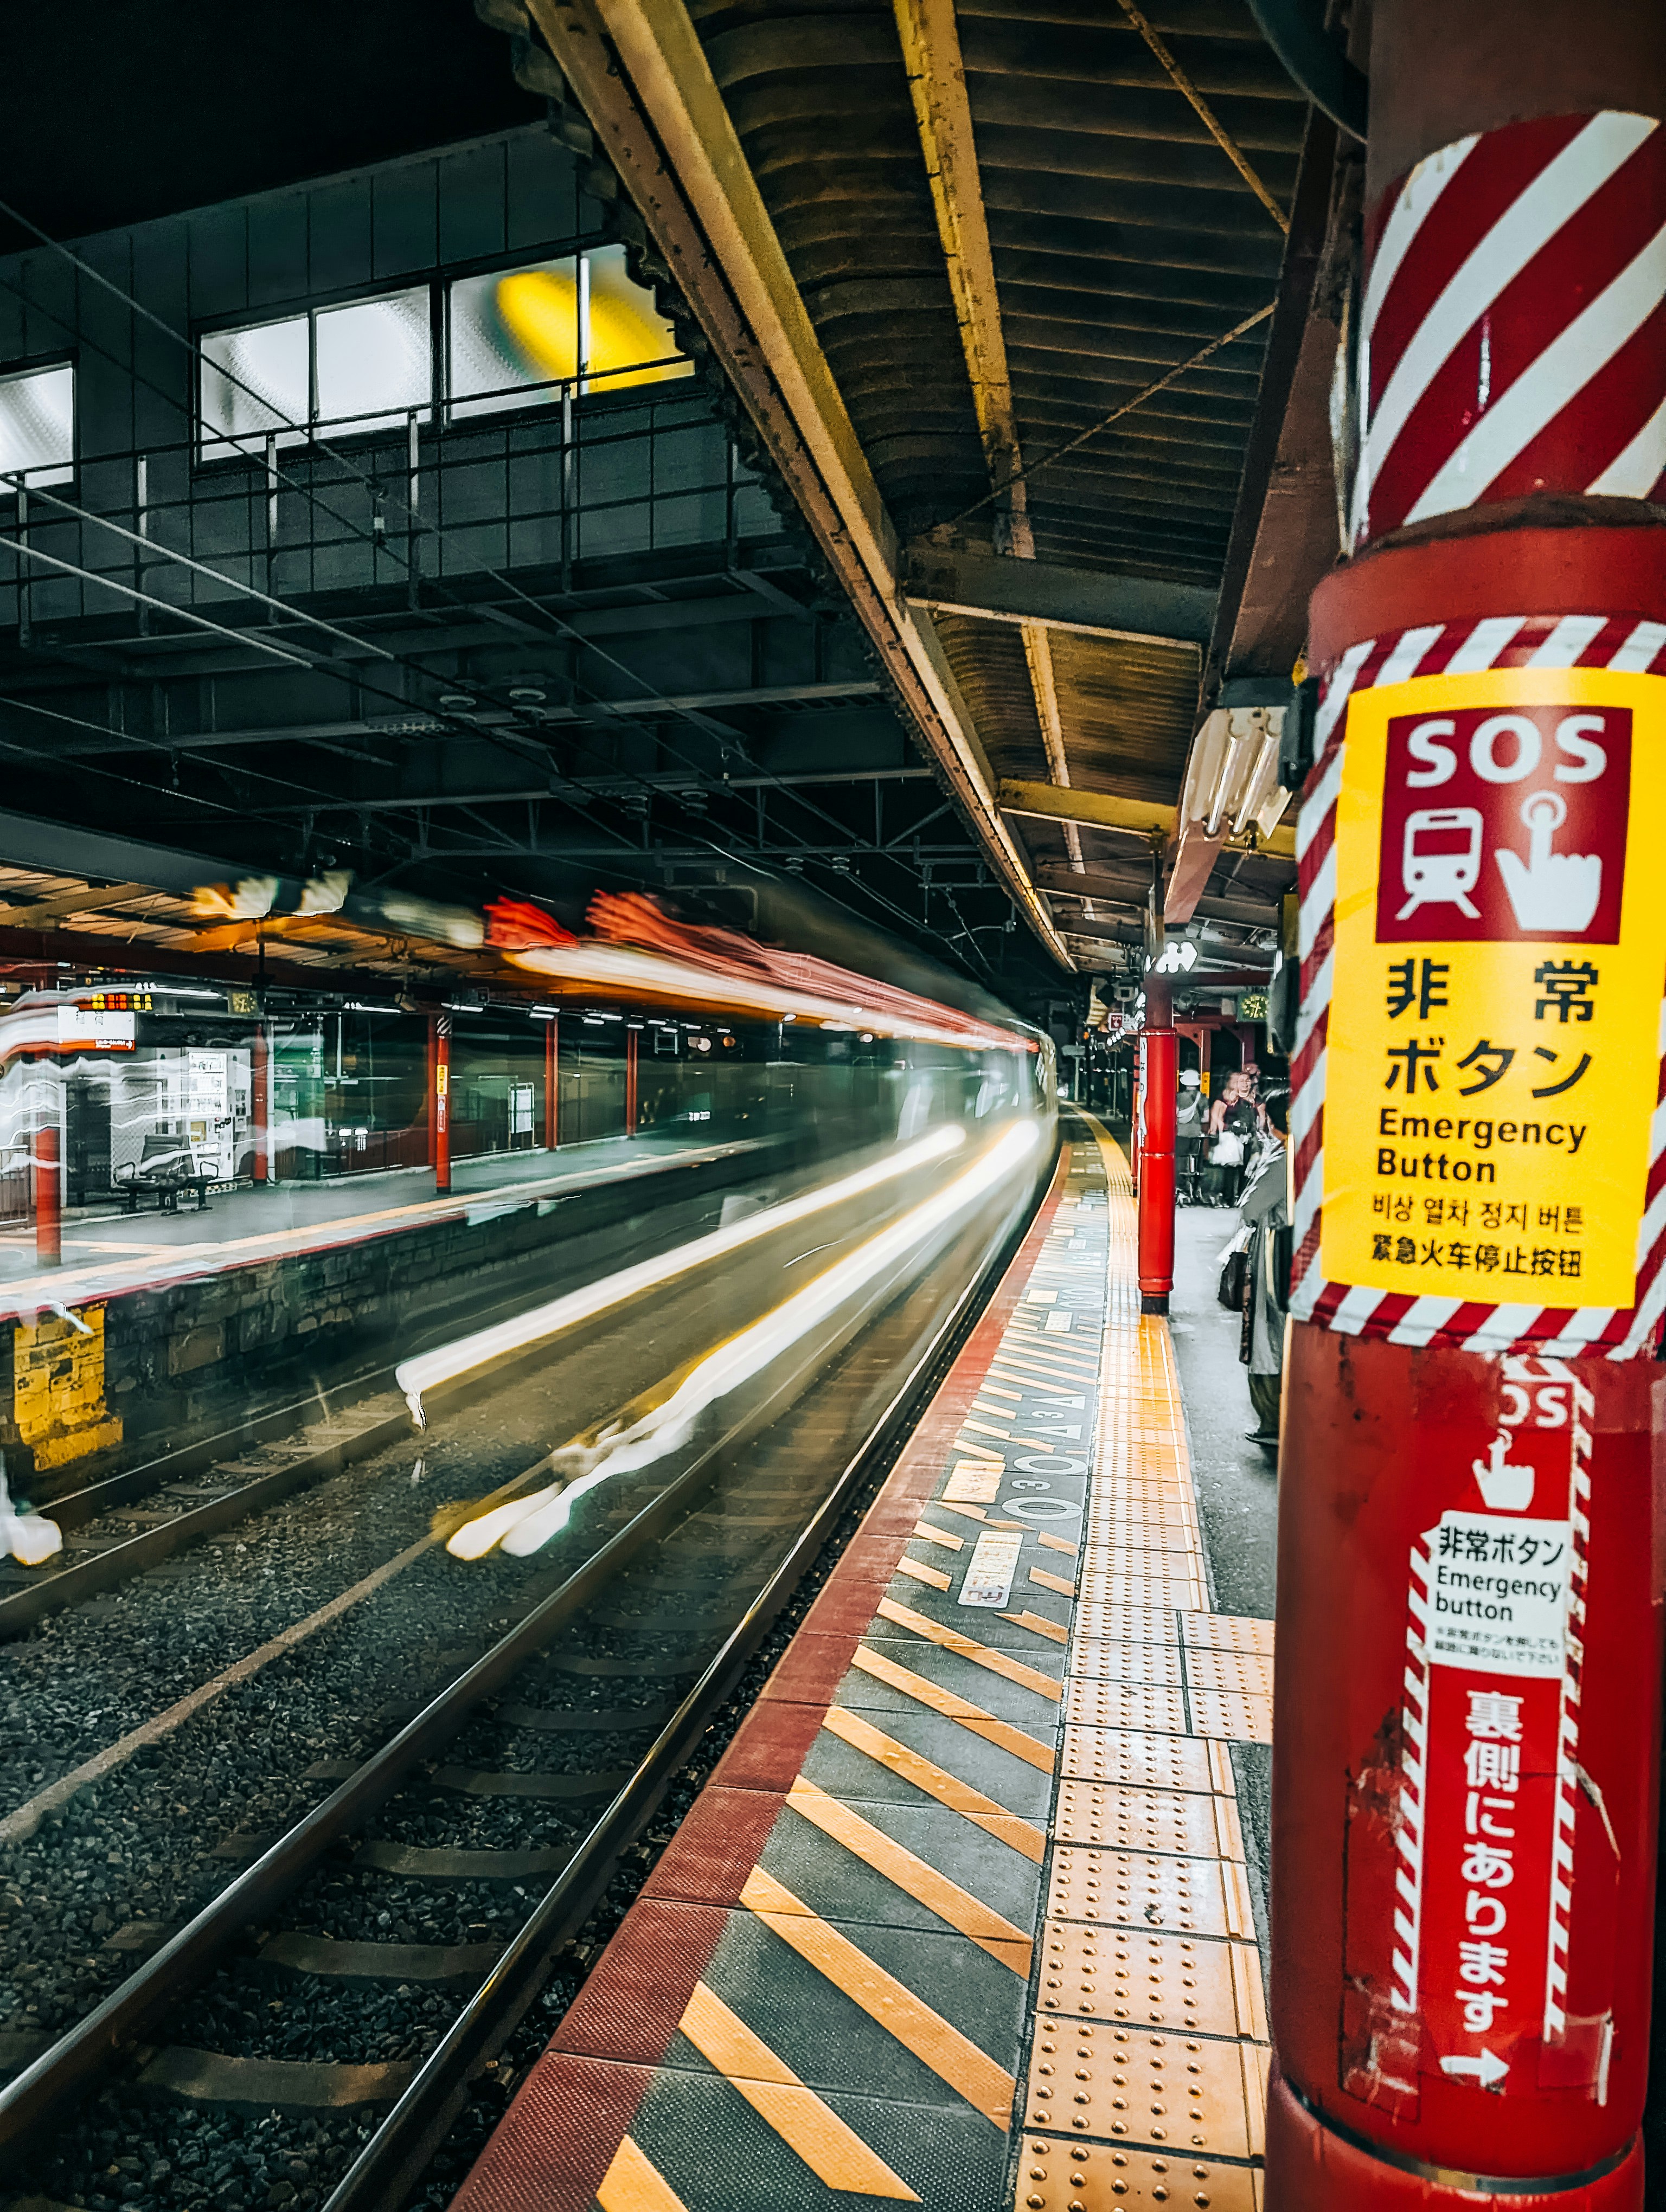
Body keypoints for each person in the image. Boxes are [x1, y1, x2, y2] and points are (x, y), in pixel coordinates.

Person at [1239, 1087, 1290, 1447]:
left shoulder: (1284, 1158)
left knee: (1267, 1333)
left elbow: (1250, 1208)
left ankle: (1273, 1421)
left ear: (1273, 1121)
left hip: (1276, 1250)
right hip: (1303, 1251)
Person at [1206, 1071, 1259, 1205]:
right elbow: (1217, 1117)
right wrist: (1224, 1128)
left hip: (1240, 1136)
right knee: (1227, 1167)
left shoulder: (1244, 1098)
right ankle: (1224, 1196)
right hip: (1229, 1136)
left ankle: (1235, 1195)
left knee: (1239, 1167)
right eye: (1236, 1081)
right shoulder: (1223, 1097)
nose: (1239, 1084)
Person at [1175, 1069, 1206, 1203]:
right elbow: (1206, 1118)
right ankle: (1196, 1186)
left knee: (1180, 1161)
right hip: (1196, 1133)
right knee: (1196, 1160)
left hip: (1181, 1132)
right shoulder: (1203, 1097)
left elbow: (1174, 1114)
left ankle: (1181, 1187)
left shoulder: (1178, 1097)